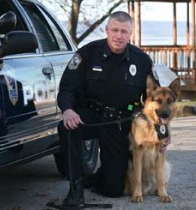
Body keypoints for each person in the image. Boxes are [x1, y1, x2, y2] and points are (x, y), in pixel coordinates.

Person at [57, 11, 159, 207]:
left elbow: (154, 100)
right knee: (67, 128)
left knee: (113, 190)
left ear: (131, 33)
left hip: (120, 123)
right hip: (90, 116)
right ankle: (75, 188)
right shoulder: (87, 54)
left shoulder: (142, 60)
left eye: (124, 31)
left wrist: (161, 131)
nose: (118, 36)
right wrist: (68, 110)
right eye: (114, 30)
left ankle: (97, 178)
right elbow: (67, 87)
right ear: (107, 30)